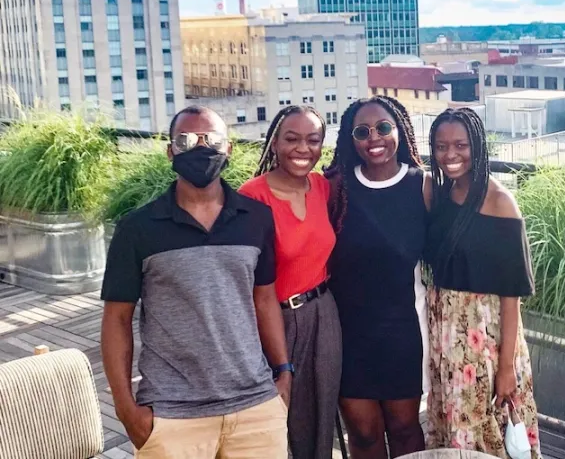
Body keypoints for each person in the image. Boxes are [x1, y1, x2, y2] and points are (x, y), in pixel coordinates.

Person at [100, 106, 292, 459]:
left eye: (212, 139)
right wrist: (126, 409)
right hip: (172, 414)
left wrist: (284, 375)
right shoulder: (137, 229)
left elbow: (264, 300)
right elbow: (116, 319)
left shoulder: (257, 219)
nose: (200, 148)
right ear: (170, 150)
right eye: (186, 140)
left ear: (229, 149)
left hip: (255, 406)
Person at [424, 108, 542, 458]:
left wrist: (505, 368)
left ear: (477, 146)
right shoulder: (441, 197)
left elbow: (511, 295)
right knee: (452, 427)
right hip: (445, 337)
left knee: (488, 432)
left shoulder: (501, 203)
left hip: (485, 340)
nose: (450, 155)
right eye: (441, 146)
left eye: (460, 145)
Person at [325, 96, 431, 459]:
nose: (375, 138)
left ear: (399, 129)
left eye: (384, 127)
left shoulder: (423, 186)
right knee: (365, 433)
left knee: (404, 430)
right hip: (348, 333)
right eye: (362, 131)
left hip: (402, 330)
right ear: (351, 139)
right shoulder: (335, 188)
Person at [238, 105, 342, 459]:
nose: (303, 149)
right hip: (275, 319)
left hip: (324, 314)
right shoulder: (252, 196)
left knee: (322, 414)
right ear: (275, 144)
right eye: (292, 139)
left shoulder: (323, 188)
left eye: (313, 140)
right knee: (282, 416)